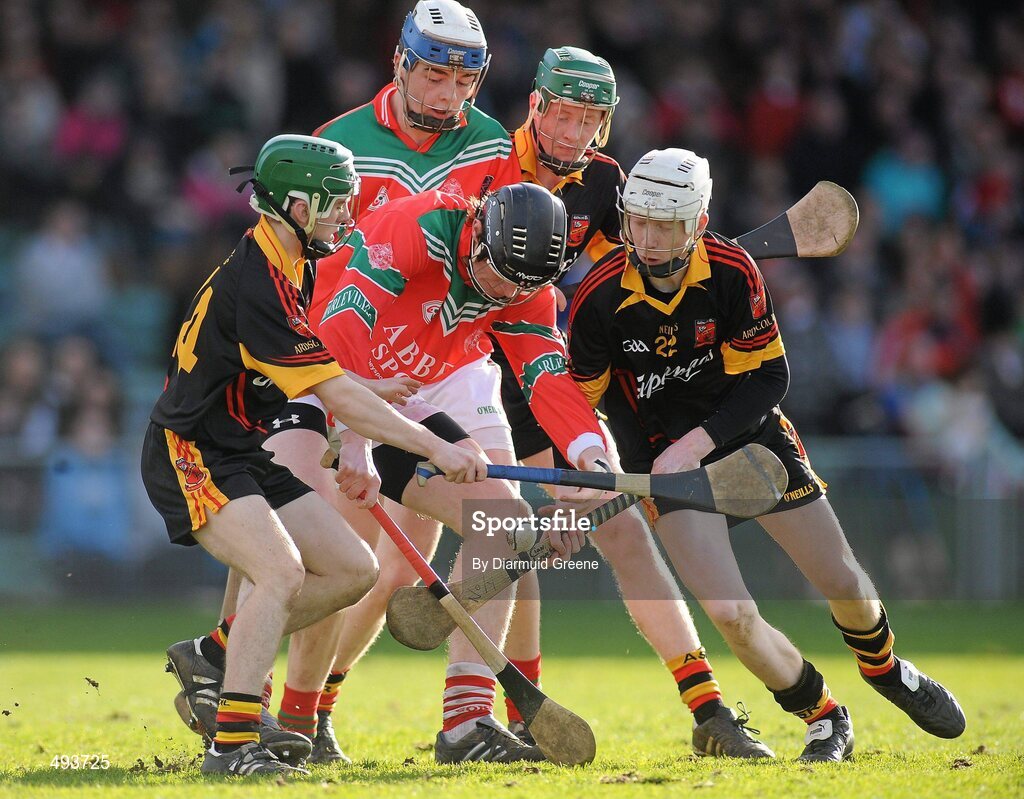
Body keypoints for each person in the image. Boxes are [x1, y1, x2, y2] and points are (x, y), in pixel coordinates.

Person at [566, 147, 967, 761]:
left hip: (751, 440)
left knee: (841, 579)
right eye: (638, 222)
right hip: (663, 470)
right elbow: (584, 403)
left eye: (665, 224)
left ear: (697, 221)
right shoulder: (597, 300)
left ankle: (886, 672)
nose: (647, 239)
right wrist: (597, 464)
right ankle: (823, 715)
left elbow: (769, 379)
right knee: (731, 615)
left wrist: (696, 444)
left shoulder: (732, 270)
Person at [144, 134, 487, 776]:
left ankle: (212, 655)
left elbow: (301, 371)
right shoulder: (263, 282)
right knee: (280, 573)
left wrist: (366, 388)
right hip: (191, 451)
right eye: (332, 204)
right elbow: (336, 397)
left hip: (238, 448)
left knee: (353, 570)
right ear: (294, 206)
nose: (346, 215)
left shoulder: (291, 262)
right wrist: (435, 444)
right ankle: (235, 745)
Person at [251, 0, 522, 764]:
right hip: (341, 359)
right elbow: (311, 276)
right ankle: (276, 708)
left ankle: (435, 718)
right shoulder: (337, 142)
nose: (446, 95)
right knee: (345, 544)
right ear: (400, 64)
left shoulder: (493, 144)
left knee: (437, 549)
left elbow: (497, 262)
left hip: (440, 363)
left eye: (462, 81)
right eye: (433, 74)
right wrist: (348, 407)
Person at [493, 47, 772, 757]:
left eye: (592, 116)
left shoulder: (607, 182)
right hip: (464, 370)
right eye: (564, 111)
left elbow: (646, 272)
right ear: (535, 106)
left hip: (547, 373)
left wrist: (721, 272)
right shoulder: (484, 161)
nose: (576, 129)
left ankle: (708, 709)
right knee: (495, 534)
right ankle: (325, 703)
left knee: (619, 532)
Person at [308, 182, 612, 763]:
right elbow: (341, 331)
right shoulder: (415, 229)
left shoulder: (524, 283)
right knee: (340, 568)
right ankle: (273, 704)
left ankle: (467, 723)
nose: (506, 295)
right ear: (478, 235)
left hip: (409, 400)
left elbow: (546, 377)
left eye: (523, 287)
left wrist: (590, 459)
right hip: (319, 385)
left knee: (507, 527)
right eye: (499, 278)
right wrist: (350, 437)